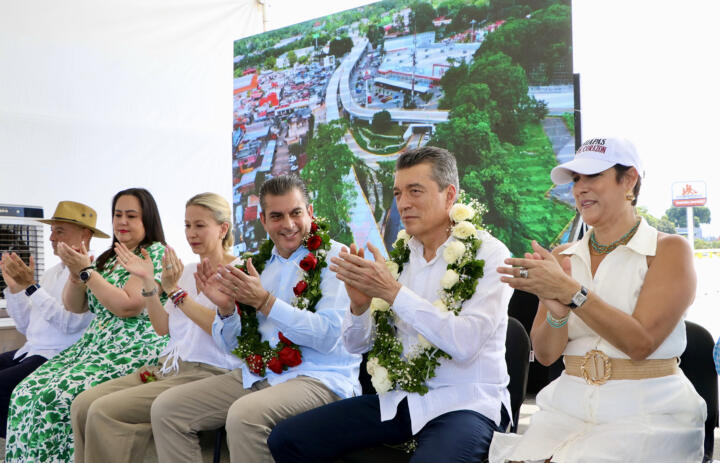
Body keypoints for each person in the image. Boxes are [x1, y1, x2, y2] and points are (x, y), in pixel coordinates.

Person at [268, 146, 513, 463]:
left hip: (466, 403)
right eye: (398, 193)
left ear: (449, 194)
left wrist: (394, 292)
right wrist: (359, 307)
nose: (403, 204)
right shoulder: (401, 258)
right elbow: (357, 345)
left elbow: (464, 344)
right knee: (286, 439)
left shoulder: (489, 254)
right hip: (402, 401)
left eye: (415, 191)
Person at [488, 137, 706, 463]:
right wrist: (558, 314)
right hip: (566, 408)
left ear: (629, 179)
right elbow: (546, 355)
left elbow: (641, 343)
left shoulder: (669, 250)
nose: (580, 189)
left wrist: (572, 294)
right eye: (576, 180)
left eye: (593, 177)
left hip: (648, 412)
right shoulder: (562, 256)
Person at [149, 175, 361, 463]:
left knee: (244, 416)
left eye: (295, 213)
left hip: (320, 378)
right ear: (263, 220)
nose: (287, 224)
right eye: (277, 216)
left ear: (310, 212)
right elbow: (234, 346)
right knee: (167, 409)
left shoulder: (336, 258)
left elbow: (327, 337)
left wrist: (266, 302)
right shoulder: (256, 266)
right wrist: (225, 310)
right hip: (260, 374)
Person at [70, 192, 243, 463]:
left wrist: (174, 292)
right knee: (82, 405)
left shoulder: (240, 271)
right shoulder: (186, 271)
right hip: (170, 366)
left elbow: (221, 330)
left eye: (200, 225)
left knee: (103, 410)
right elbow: (163, 327)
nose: (191, 234)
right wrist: (149, 282)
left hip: (210, 371)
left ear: (223, 228)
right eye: (187, 225)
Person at [4, 188, 168, 463]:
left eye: (131, 215)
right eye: (118, 215)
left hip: (129, 349)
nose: (122, 222)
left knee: (54, 398)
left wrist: (87, 272)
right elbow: (75, 306)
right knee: (25, 391)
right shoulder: (109, 257)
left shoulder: (155, 253)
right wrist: (75, 274)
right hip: (93, 348)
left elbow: (128, 306)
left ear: (147, 220)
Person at [0, 201, 105, 438]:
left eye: (59, 231)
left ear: (85, 234)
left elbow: (70, 325)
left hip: (58, 356)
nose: (51, 238)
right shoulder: (51, 273)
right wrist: (15, 288)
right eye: (51, 231)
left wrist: (31, 287)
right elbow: (26, 326)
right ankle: (22, 444)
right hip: (30, 350)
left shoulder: (93, 273)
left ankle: (27, 445)